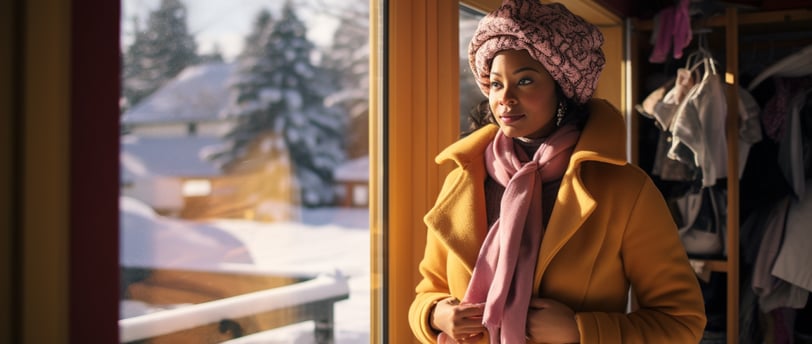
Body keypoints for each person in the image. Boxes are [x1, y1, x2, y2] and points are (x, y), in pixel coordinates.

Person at [408, 1, 707, 343]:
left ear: (562, 88)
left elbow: (682, 322)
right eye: (494, 83)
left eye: (525, 81)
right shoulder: (463, 179)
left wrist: (583, 331)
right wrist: (436, 315)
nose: (504, 98)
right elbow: (427, 291)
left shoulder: (625, 190)